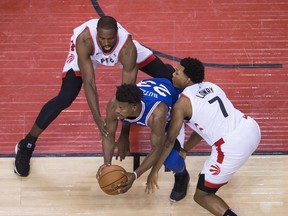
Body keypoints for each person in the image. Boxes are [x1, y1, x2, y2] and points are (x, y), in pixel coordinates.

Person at [13, 16, 174, 177]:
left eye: (110, 38)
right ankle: (26, 144)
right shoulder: (84, 40)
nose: (106, 43)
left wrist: (124, 133)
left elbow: (127, 97)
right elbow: (89, 82)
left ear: (117, 34)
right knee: (66, 96)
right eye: (102, 38)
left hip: (122, 55)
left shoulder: (127, 48)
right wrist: (97, 117)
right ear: (96, 34)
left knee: (169, 76)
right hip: (88, 55)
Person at [146, 57, 261, 215]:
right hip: (251, 128)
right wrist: (185, 149)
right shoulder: (212, 86)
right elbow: (202, 128)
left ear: (188, 79)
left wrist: (154, 171)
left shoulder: (182, 104)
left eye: (178, 72)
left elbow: (169, 142)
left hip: (232, 146)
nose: (173, 74)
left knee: (202, 196)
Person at [96, 77, 190, 202]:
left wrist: (135, 175)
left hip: (169, 114)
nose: (117, 110)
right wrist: (106, 164)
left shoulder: (156, 115)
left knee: (170, 159)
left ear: (134, 108)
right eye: (117, 106)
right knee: (119, 117)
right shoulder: (116, 104)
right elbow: (108, 135)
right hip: (153, 86)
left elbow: (157, 149)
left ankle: (182, 175)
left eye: (121, 108)